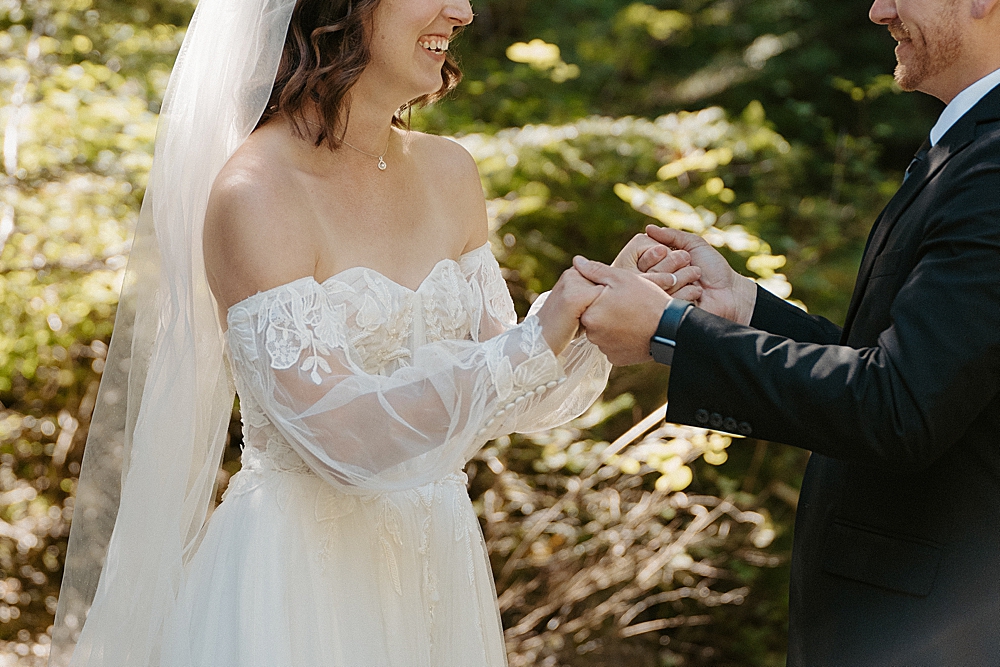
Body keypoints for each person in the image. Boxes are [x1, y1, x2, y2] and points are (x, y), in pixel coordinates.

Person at [50, 0, 703, 665]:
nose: (465, 11)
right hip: (301, 584)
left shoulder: (451, 172)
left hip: (435, 569)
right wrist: (539, 333)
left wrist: (599, 307)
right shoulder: (256, 190)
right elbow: (344, 440)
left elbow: (513, 391)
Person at [570, 0, 1000, 663]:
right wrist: (743, 307)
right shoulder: (966, 145)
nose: (877, 10)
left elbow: (898, 408)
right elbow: (898, 367)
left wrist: (672, 333)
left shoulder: (993, 166)